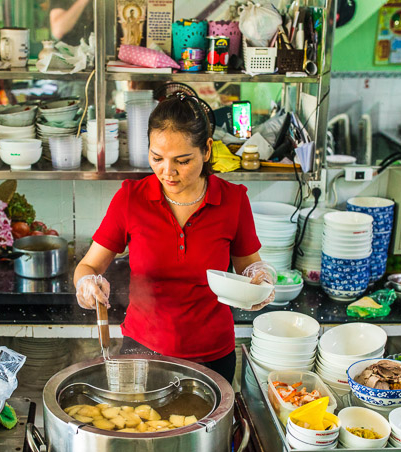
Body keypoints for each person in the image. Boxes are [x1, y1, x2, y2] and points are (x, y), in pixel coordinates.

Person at [73, 94, 275, 384]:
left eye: (182, 161)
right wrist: (86, 284)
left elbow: (250, 268)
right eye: (157, 158)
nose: (167, 172)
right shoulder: (132, 198)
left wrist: (261, 280)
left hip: (213, 355)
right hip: (142, 350)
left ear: (206, 150)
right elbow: (88, 267)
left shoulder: (233, 200)